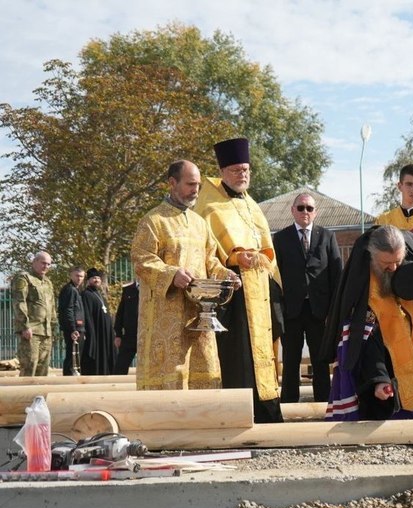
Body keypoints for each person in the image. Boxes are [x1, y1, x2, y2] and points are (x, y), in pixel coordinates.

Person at [322, 225, 413, 420]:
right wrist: (379, 379)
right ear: (372, 256)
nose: (393, 268)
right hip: (376, 341)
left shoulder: (409, 254)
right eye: (386, 263)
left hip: (409, 334)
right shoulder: (361, 279)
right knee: (368, 345)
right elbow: (362, 334)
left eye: (398, 262)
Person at [193, 138, 283, 423]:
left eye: (246, 170)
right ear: (223, 172)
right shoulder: (209, 204)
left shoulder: (252, 205)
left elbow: (266, 244)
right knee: (240, 356)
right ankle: (241, 414)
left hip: (260, 288)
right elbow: (206, 247)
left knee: (263, 354)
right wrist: (234, 258)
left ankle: (267, 411)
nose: (242, 175)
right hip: (233, 291)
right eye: (235, 170)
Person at [132, 160, 240, 389]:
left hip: (199, 315)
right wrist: (172, 274)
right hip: (166, 317)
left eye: (198, 185)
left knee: (205, 373)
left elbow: (210, 260)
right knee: (170, 376)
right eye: (190, 184)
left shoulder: (200, 223)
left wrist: (226, 275)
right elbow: (142, 260)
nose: (196, 190)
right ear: (172, 183)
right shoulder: (153, 221)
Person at [273, 192, 343, 403]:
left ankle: (324, 403)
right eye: (301, 207)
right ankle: (288, 405)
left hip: (318, 311)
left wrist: (334, 311)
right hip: (291, 311)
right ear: (293, 210)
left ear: (315, 212)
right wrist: (278, 311)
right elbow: (275, 277)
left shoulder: (327, 236)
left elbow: (336, 274)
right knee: (291, 360)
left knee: (321, 360)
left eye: (309, 208)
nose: (305, 212)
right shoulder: (281, 238)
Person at [12, 251, 56, 377]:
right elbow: (19, 302)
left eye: (48, 264)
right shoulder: (24, 278)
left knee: (43, 369)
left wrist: (52, 327)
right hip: (31, 331)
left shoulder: (47, 282)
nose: (46, 266)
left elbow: (51, 306)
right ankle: (24, 397)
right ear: (34, 262)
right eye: (43, 263)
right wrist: (25, 326)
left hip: (46, 332)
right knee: (29, 367)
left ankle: (39, 397)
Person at [80, 268, 117, 375]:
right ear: (88, 280)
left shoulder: (100, 294)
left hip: (105, 333)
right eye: (93, 278)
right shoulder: (86, 294)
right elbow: (87, 315)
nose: (96, 280)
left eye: (98, 278)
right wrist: (90, 332)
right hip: (96, 331)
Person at [57, 266, 86, 376]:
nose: (79, 278)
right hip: (74, 328)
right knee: (72, 357)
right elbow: (67, 310)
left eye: (81, 276)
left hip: (79, 327)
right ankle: (68, 381)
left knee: (76, 357)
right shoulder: (70, 289)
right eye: (77, 276)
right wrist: (72, 329)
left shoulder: (76, 290)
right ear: (71, 275)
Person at [113, 281, 139, 375]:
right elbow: (120, 313)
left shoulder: (153, 288)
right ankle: (116, 388)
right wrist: (118, 334)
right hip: (130, 335)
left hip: (148, 335)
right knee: (120, 367)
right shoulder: (128, 290)